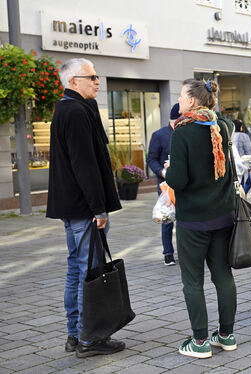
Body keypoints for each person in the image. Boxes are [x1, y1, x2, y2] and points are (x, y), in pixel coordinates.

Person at [47, 58, 125, 358]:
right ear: (72, 82)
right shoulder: (75, 112)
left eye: (97, 76)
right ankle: (88, 339)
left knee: (76, 269)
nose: (97, 81)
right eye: (91, 77)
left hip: (74, 206)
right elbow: (85, 165)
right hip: (83, 208)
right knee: (87, 271)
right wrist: (98, 208)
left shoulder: (72, 109)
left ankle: (75, 333)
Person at [164, 79, 238, 359]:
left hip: (193, 221)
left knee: (193, 281)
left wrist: (168, 169)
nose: (179, 101)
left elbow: (178, 180)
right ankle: (227, 335)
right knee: (223, 275)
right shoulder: (223, 127)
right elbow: (218, 120)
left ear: (193, 101)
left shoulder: (183, 133)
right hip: (223, 216)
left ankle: (200, 342)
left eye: (182, 96)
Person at [146, 103, 179, 266]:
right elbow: (151, 158)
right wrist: (162, 172)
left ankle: (186, 252)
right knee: (167, 218)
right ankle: (168, 253)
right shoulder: (159, 135)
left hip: (184, 183)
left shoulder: (186, 134)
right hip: (166, 185)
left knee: (184, 220)